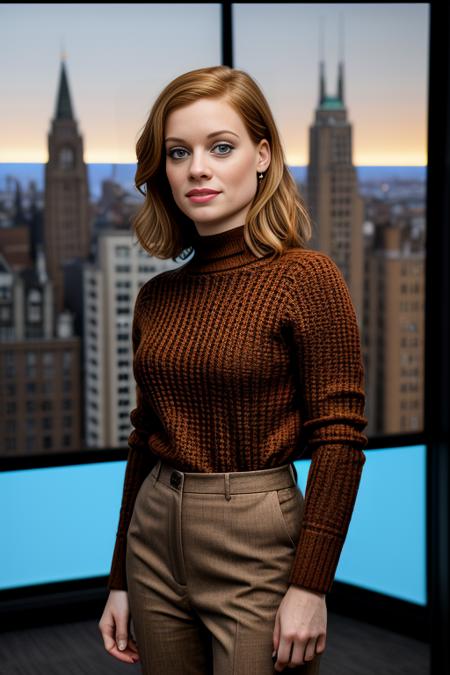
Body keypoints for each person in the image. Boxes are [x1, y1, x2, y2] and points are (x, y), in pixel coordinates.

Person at [98, 65, 368, 674]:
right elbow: (145, 438)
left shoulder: (308, 278)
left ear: (263, 155)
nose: (198, 168)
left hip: (256, 541)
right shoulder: (156, 297)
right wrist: (119, 578)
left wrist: (311, 586)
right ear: (162, 169)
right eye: (178, 152)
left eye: (221, 147)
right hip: (154, 532)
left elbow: (340, 439)